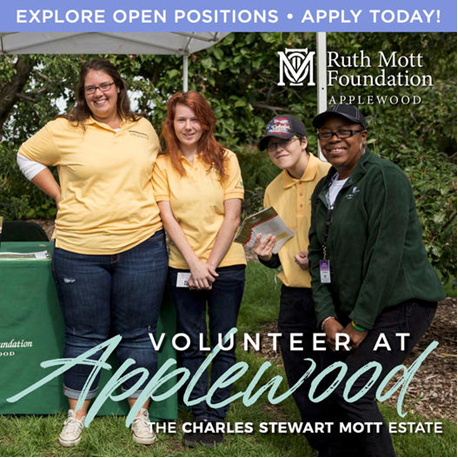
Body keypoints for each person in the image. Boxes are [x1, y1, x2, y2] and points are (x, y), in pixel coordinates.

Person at [17, 58, 167, 447]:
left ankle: (140, 414)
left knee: (138, 334)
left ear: (118, 87)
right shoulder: (64, 128)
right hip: (79, 248)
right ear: (82, 94)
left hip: (142, 245)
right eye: (90, 88)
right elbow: (26, 156)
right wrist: (57, 193)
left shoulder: (143, 128)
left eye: (105, 85)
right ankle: (76, 416)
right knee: (84, 336)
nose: (98, 93)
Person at [308, 104, 446, 457]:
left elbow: (386, 255)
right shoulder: (324, 189)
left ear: (363, 136)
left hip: (401, 302)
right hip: (353, 308)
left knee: (353, 392)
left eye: (345, 132)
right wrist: (327, 317)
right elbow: (317, 254)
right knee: (336, 391)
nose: (334, 140)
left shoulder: (385, 177)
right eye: (327, 133)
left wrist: (360, 322)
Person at [152, 91, 246, 448]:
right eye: (181, 119)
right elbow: (167, 217)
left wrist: (208, 265)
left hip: (226, 265)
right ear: (171, 124)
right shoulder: (162, 164)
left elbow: (232, 215)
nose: (188, 126)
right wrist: (193, 264)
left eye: (195, 119)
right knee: (190, 344)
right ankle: (199, 415)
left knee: (223, 343)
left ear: (206, 122)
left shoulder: (226, 159)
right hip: (182, 266)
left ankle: (216, 416)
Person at [253, 115, 330, 455]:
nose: (278, 149)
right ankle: (321, 445)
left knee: (337, 372)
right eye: (272, 145)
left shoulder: (332, 176)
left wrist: (318, 258)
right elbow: (275, 247)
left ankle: (345, 441)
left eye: (284, 142)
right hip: (293, 296)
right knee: (300, 374)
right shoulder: (273, 188)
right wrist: (266, 256)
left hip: (333, 293)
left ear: (303, 142)